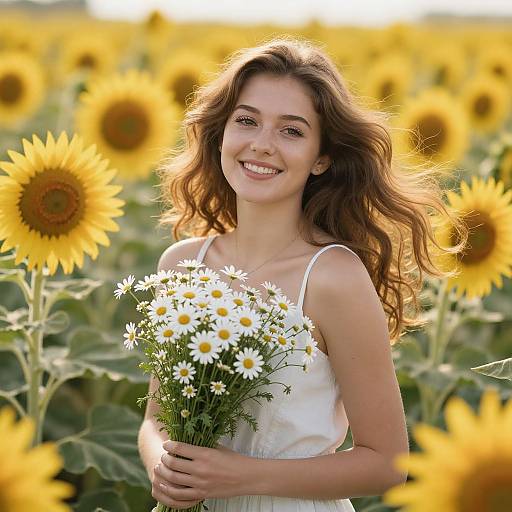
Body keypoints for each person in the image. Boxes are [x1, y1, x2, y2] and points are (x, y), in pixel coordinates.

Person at [138, 37, 466, 511]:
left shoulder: (333, 277)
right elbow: (156, 420)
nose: (262, 145)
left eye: (291, 131)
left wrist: (242, 477)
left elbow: (387, 464)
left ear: (321, 157)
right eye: (246, 121)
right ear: (221, 134)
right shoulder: (181, 265)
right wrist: (162, 467)